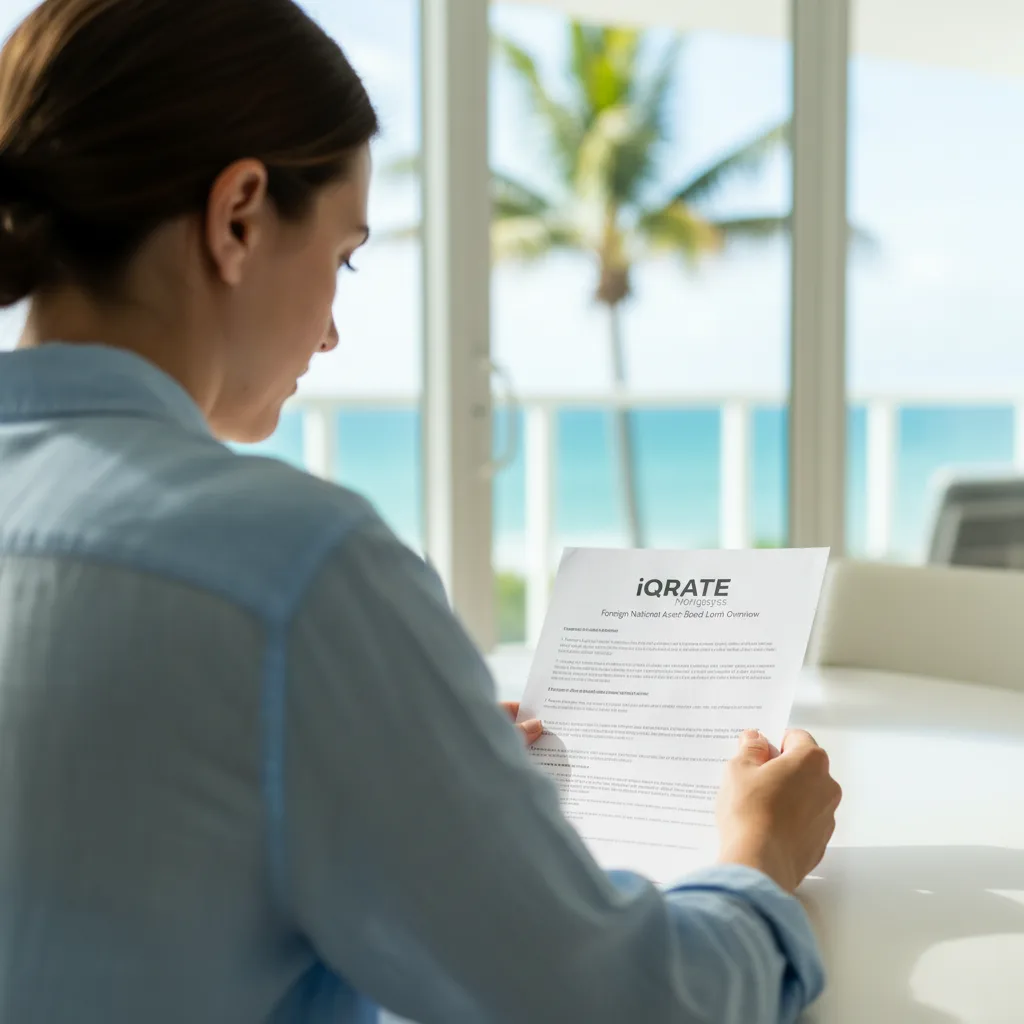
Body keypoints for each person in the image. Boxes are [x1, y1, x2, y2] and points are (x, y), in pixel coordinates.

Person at [0, 1, 842, 1022]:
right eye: (343, 256)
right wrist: (757, 863)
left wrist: (403, 785)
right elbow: (616, 1004)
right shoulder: (292, 570)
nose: (335, 332)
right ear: (238, 218)